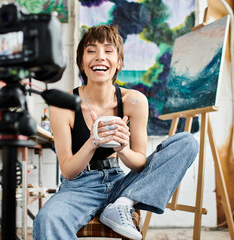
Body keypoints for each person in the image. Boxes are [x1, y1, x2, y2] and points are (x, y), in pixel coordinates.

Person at [33, 25, 199, 240]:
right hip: (79, 187)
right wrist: (93, 141)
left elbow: (140, 163)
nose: (99, 57)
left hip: (121, 184)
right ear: (81, 63)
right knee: (47, 219)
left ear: (119, 62)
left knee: (187, 142)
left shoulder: (135, 100)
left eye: (108, 51)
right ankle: (120, 204)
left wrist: (123, 149)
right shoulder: (62, 105)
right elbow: (68, 171)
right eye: (91, 51)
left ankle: (124, 204)